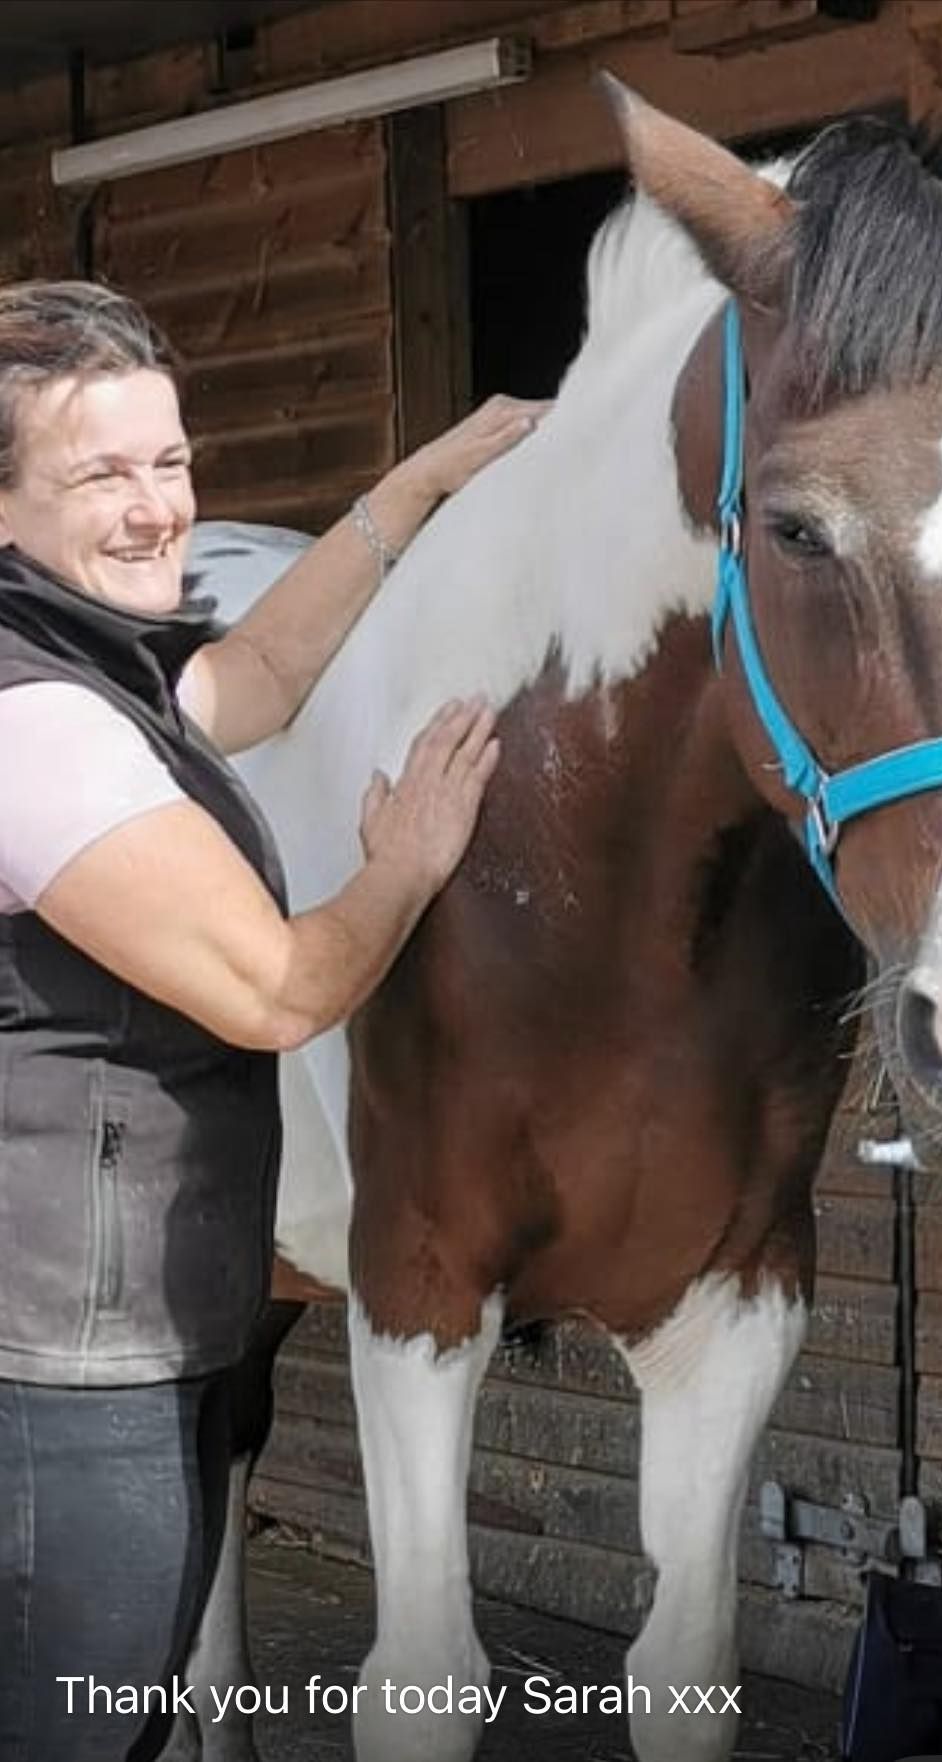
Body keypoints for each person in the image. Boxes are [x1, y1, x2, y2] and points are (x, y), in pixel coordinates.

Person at [0, 279, 545, 1762]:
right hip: (61, 1360)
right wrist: (406, 865)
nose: (154, 508)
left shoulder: (87, 665)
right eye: (100, 473)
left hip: (123, 1327)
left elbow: (261, 673)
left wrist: (420, 483)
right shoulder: (32, 722)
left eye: (169, 462)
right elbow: (280, 988)